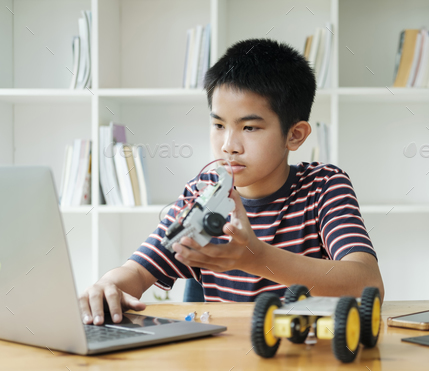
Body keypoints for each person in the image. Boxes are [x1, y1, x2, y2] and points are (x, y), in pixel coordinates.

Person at [79, 38, 384, 326]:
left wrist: (258, 258)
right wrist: (109, 286)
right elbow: (137, 271)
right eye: (219, 125)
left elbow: (367, 283)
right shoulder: (204, 191)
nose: (229, 145)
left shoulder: (323, 186)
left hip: (306, 364)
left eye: (249, 127)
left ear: (294, 135)